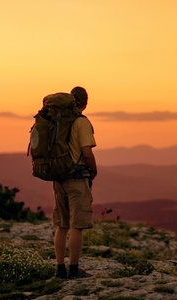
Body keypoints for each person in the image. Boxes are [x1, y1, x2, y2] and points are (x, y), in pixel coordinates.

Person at [52, 86, 97, 279]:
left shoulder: (59, 120)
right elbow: (87, 152)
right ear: (85, 103)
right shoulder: (81, 123)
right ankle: (74, 269)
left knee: (62, 225)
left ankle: (60, 269)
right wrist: (94, 171)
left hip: (59, 177)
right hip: (77, 178)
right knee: (77, 225)